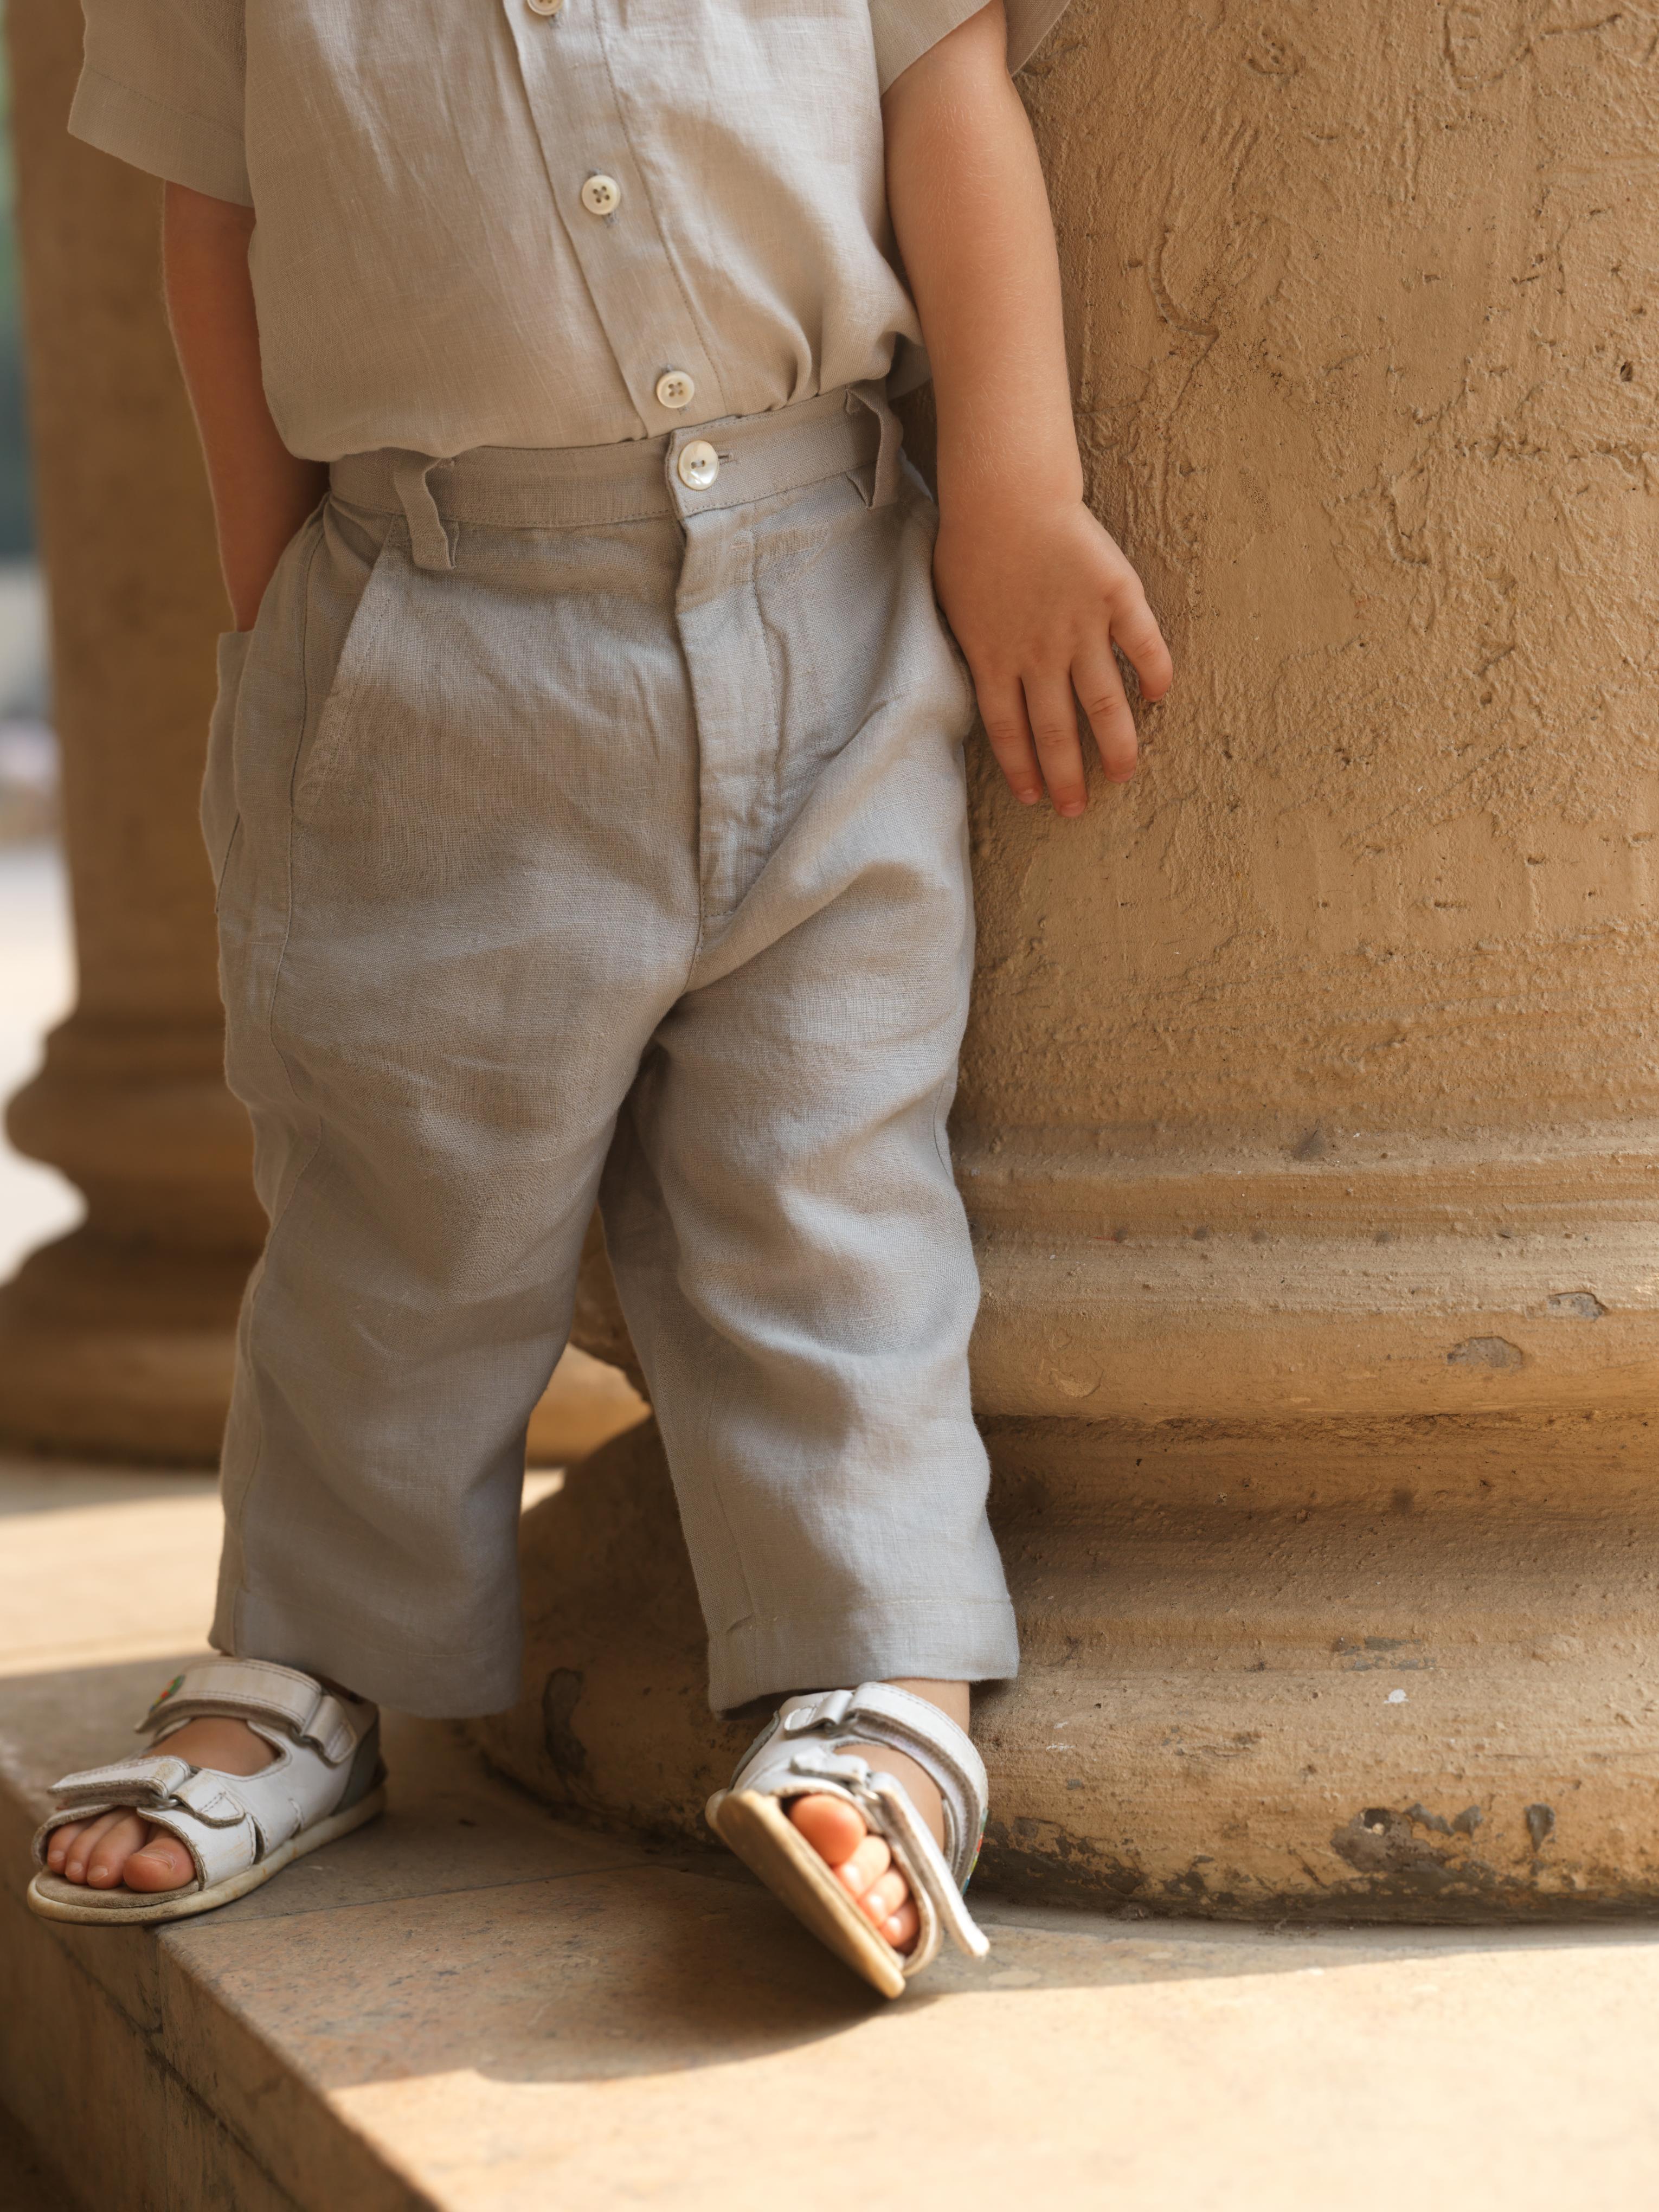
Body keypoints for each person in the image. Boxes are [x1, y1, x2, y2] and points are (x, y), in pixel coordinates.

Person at [28, 0, 1169, 1995]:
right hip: (432, 613)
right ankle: (306, 1663)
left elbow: (944, 94)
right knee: (399, 1203)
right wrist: (283, 607)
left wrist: (1013, 488)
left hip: (831, 592)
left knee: (825, 1172)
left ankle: (879, 1691)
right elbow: (210, 227)